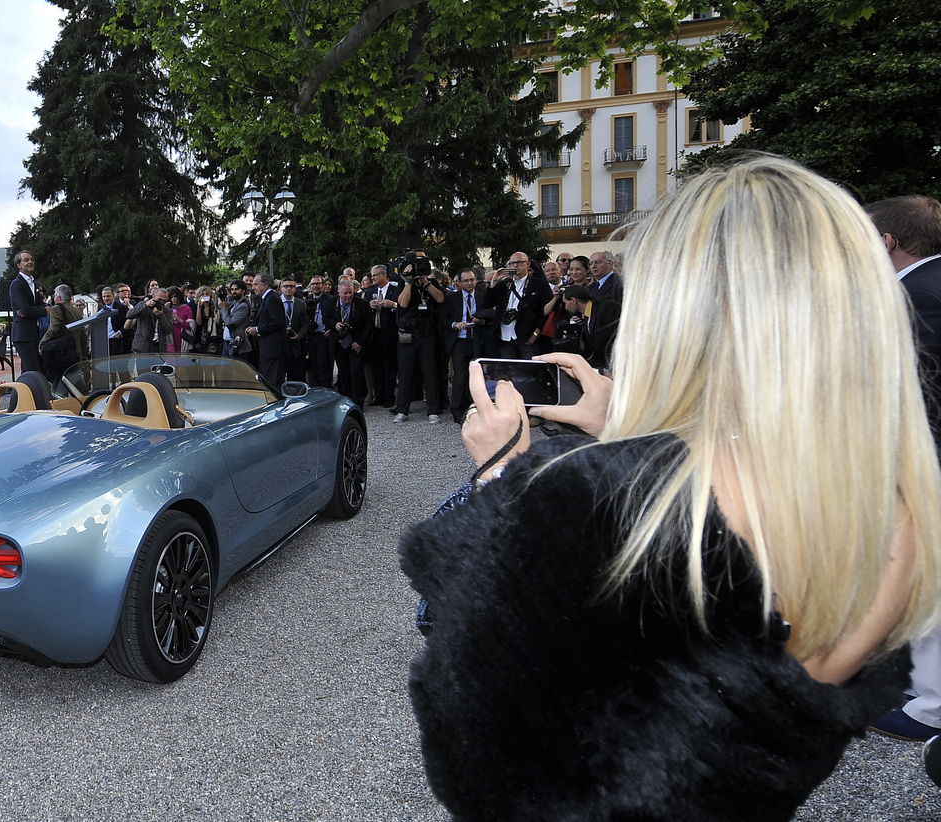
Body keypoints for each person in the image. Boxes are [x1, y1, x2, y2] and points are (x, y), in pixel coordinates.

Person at [400, 155, 941, 820]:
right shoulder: (898, 512)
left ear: (677, 313)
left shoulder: (592, 500)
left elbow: (474, 747)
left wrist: (501, 473)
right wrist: (628, 429)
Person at [867, 195, 941, 746]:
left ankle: (931, 706)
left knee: (928, 575)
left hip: (927, 462)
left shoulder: (916, 296)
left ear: (888, 241)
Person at [391, 259, 446, 423]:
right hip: (408, 335)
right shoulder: (403, 282)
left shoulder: (431, 282)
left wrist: (427, 284)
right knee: (406, 372)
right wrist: (408, 282)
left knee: (430, 372)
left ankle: (433, 410)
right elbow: (403, 303)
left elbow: (441, 298)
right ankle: (402, 410)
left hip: (427, 334)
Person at [483, 251, 551, 359]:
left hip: (527, 336)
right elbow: (486, 304)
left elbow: (546, 311)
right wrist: (494, 281)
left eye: (519, 262)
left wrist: (537, 332)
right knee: (509, 372)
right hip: (505, 335)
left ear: (527, 264)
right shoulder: (504, 284)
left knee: (530, 370)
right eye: (511, 263)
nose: (515, 266)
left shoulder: (539, 284)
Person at [445, 268, 487, 424]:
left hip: (477, 340)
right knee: (460, 377)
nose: (470, 283)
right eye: (466, 281)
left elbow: (490, 315)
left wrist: (480, 319)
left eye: (472, 280)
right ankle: (457, 410)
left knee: (478, 377)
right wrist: (455, 324)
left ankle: (477, 408)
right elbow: (443, 318)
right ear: (459, 283)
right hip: (460, 341)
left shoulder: (482, 297)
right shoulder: (452, 298)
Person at [364, 265, 402, 405]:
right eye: (372, 275)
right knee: (376, 367)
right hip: (374, 334)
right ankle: (378, 395)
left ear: (384, 275)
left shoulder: (396, 290)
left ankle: (389, 396)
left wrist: (394, 305)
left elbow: (403, 307)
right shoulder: (370, 292)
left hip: (390, 334)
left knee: (389, 367)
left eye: (375, 275)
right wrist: (368, 306)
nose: (372, 278)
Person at [331, 278, 372, 402]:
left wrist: (360, 342)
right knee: (343, 373)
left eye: (350, 293)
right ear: (339, 293)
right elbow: (326, 318)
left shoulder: (362, 304)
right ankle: (345, 399)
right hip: (339, 344)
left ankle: (358, 401)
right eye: (345, 293)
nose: (348, 296)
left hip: (355, 343)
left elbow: (369, 325)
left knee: (356, 373)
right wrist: (335, 325)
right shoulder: (332, 303)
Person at [9, 251, 49, 374]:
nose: (30, 262)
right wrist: (43, 311)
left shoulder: (34, 284)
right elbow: (26, 308)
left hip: (33, 335)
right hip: (23, 336)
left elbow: (38, 305)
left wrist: (36, 310)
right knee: (34, 371)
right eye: (26, 260)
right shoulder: (17, 284)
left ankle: (20, 393)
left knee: (28, 371)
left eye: (31, 259)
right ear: (19, 265)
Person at [39, 283, 87, 383]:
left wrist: (42, 342)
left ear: (59, 298)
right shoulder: (76, 310)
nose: (54, 297)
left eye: (55, 295)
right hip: (76, 353)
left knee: (59, 383)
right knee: (75, 384)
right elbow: (83, 333)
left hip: (63, 353)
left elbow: (54, 329)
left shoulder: (57, 308)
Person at [247, 273, 287, 388]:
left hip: (273, 349)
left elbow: (277, 322)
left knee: (272, 382)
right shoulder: (266, 299)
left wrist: (258, 329)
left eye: (256, 284)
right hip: (268, 348)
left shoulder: (271, 298)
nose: (253, 287)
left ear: (266, 285)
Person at [306, 276, 339, 387]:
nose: (315, 286)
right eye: (313, 284)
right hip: (311, 336)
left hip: (324, 336)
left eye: (318, 283)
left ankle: (325, 389)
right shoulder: (308, 299)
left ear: (323, 285)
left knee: (323, 365)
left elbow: (336, 316)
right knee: (313, 364)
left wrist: (331, 329)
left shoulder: (331, 299)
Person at [277, 278, 310, 382]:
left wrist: (299, 335)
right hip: (280, 345)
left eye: (291, 286)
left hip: (295, 345)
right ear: (281, 288)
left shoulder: (301, 303)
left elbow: (304, 324)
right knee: (279, 376)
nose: (289, 289)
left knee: (296, 375)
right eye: (286, 286)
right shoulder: (276, 303)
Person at [129, 288, 175, 354]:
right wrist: (145, 305)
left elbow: (169, 330)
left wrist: (161, 316)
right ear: (153, 296)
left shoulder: (167, 310)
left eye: (164, 301)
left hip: (158, 346)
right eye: (159, 300)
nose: (161, 302)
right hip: (142, 346)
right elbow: (129, 315)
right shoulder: (143, 305)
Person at [220, 281, 251, 360]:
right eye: (232, 289)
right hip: (227, 344)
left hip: (238, 347)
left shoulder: (243, 306)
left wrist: (223, 309)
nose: (234, 292)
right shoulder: (233, 304)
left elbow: (230, 323)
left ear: (243, 291)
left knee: (236, 371)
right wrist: (219, 293)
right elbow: (219, 305)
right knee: (224, 372)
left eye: (237, 289)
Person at [191, 285, 222, 354]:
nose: (205, 296)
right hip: (204, 337)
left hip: (215, 336)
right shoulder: (199, 308)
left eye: (207, 294)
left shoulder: (214, 306)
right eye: (202, 294)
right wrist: (199, 307)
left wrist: (211, 305)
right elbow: (199, 322)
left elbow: (217, 320)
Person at [166, 286, 195, 353]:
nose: (174, 299)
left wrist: (179, 320)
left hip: (183, 339)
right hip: (172, 339)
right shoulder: (170, 309)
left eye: (175, 297)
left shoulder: (187, 308)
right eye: (172, 297)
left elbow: (191, 327)